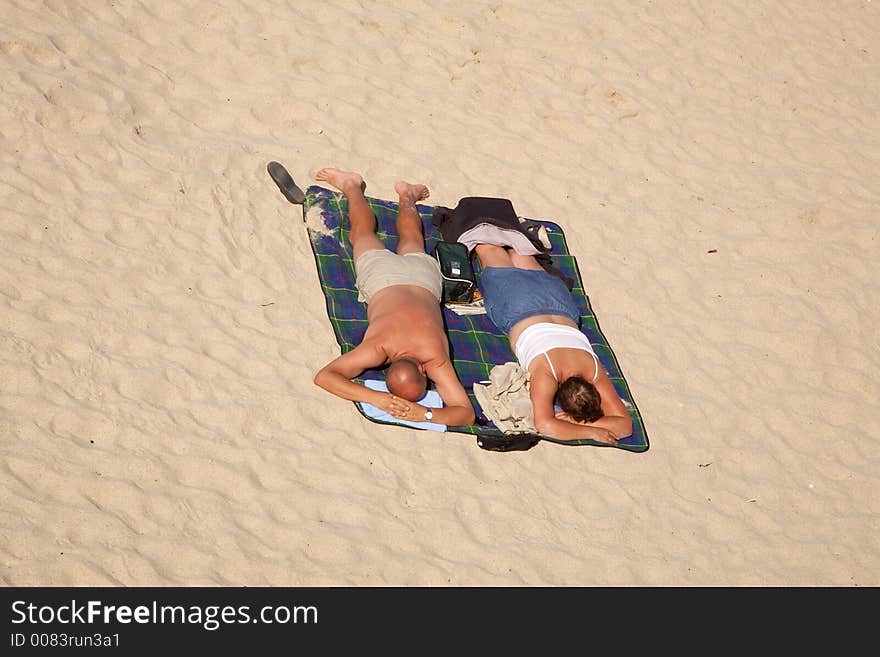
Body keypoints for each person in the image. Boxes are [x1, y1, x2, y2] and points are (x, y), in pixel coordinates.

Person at [312, 168, 475, 428]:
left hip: (422, 282)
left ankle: (400, 195)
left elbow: (465, 414)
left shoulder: (432, 358)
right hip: (384, 281)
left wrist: (394, 405)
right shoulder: (380, 348)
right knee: (363, 236)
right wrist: (380, 399)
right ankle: (362, 188)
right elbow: (325, 377)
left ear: (423, 371)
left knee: (408, 240)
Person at [473, 244, 632, 444]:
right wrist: (587, 430)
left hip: (559, 304)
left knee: (517, 252)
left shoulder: (594, 372)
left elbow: (624, 424)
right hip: (518, 307)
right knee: (489, 250)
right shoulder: (547, 375)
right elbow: (545, 424)